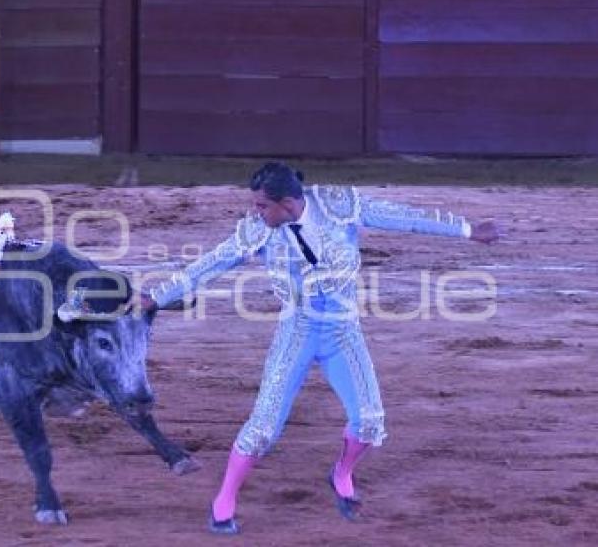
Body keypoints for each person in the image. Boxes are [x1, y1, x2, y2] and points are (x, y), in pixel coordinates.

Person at [141, 162, 498, 534]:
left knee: (370, 420)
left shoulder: (339, 205)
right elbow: (211, 263)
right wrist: (159, 295)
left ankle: (342, 474)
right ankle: (224, 501)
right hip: (297, 331)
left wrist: (468, 230)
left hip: (343, 332)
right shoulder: (258, 230)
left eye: (263, 206)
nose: (256, 213)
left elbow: (404, 217)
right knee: (263, 427)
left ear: (288, 204)